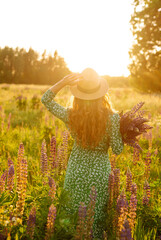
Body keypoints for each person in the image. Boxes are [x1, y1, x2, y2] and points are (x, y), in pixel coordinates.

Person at [41, 68, 124, 239]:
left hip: (76, 170)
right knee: (95, 217)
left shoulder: (71, 115)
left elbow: (46, 100)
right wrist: (123, 132)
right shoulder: (113, 118)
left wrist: (63, 81)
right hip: (100, 173)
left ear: (78, 95)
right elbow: (117, 149)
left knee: (73, 215)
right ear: (101, 93)